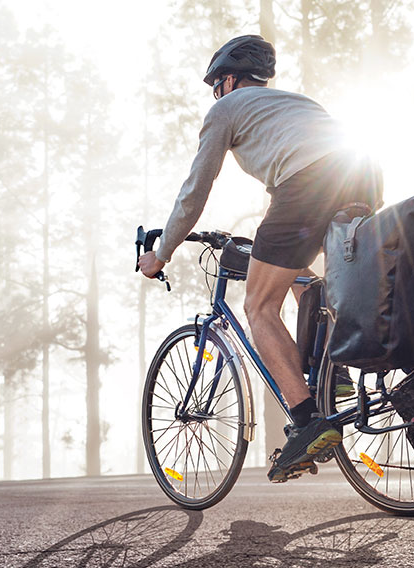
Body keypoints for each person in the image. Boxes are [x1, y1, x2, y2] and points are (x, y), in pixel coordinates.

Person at [137, 35, 381, 482]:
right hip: (362, 175)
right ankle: (335, 371)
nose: (216, 94)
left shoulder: (226, 109)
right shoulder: (293, 102)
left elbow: (195, 193)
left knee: (258, 305)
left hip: (307, 184)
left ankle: (307, 422)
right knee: (307, 280)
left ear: (229, 80)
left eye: (216, 85)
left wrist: (161, 251)